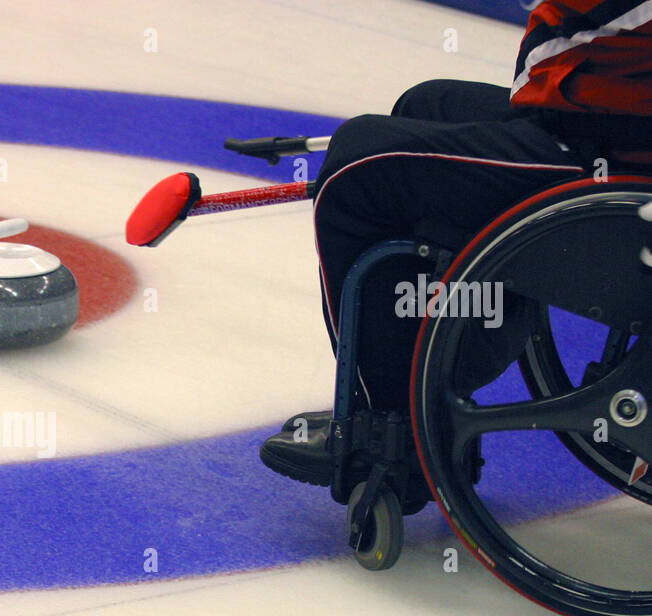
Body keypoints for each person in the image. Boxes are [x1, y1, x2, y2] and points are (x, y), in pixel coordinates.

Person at [260, 0, 652, 488]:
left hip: (618, 162)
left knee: (356, 167)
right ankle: (426, 408)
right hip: (610, 128)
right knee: (427, 105)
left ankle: (392, 435)